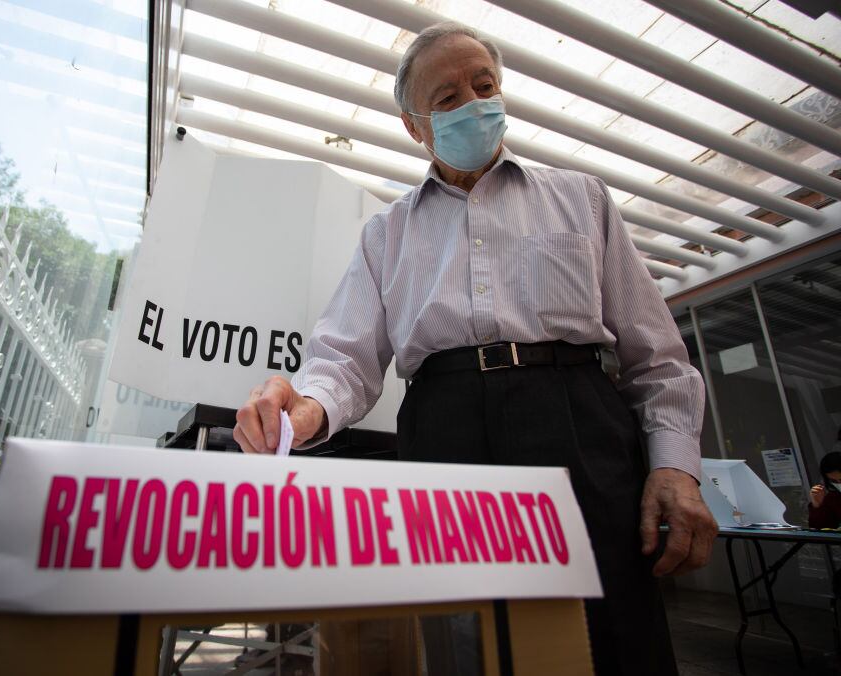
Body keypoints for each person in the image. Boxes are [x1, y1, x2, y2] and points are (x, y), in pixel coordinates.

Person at [234, 21, 717, 675]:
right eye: (447, 99)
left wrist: (674, 467)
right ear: (415, 127)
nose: (473, 104)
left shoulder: (582, 199)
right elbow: (343, 358)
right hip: (446, 433)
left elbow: (656, 355)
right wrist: (304, 408)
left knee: (613, 631)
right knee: (465, 635)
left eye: (483, 85)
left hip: (578, 425)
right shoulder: (388, 233)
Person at [809, 450, 841, 530]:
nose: (839, 483)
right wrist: (818, 506)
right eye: (834, 481)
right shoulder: (832, 498)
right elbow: (821, 529)